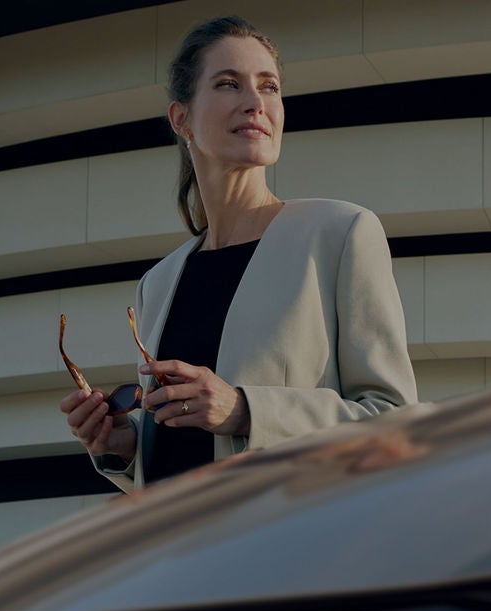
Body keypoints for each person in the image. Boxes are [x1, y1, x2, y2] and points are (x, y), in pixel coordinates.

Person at [55, 16, 417, 493]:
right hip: (176, 552)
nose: (255, 103)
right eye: (229, 84)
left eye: (269, 87)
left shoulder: (340, 234)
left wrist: (245, 410)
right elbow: (182, 455)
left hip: (292, 553)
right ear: (181, 118)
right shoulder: (158, 283)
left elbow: (397, 426)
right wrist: (124, 446)